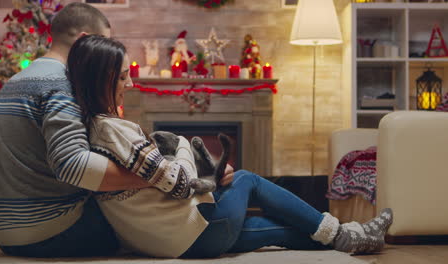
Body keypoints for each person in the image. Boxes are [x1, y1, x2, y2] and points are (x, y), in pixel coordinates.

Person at [67, 34, 394, 259]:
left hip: (167, 241)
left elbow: (156, 185)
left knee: (273, 230)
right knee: (247, 179)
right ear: (104, 78)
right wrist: (181, 144)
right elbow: (179, 185)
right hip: (187, 234)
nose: (132, 84)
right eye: (124, 77)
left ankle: (351, 236)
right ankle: (346, 234)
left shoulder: (93, 128)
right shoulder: (113, 130)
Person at [0, 3, 203, 258]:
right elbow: (73, 165)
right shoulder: (61, 83)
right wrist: (156, 175)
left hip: (5, 231)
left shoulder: (18, 80)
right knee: (155, 219)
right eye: (104, 45)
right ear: (85, 40)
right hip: (50, 230)